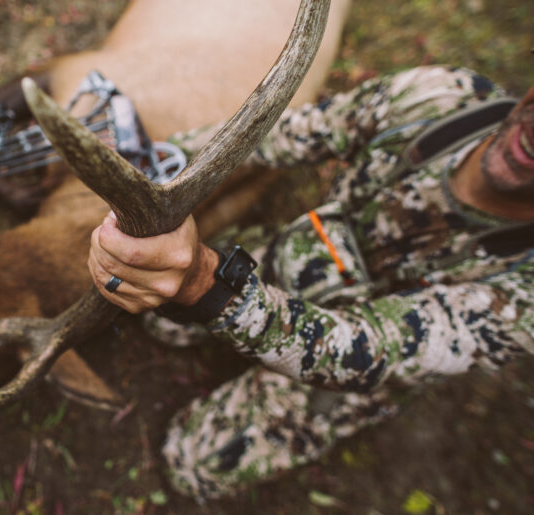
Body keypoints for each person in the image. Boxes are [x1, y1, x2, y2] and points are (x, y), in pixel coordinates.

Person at [87, 65, 534, 500]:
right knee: (160, 321)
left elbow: (369, 349)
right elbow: (288, 133)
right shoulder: (441, 97)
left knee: (193, 463)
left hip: (356, 357)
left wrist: (206, 287)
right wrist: (156, 166)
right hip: (310, 255)